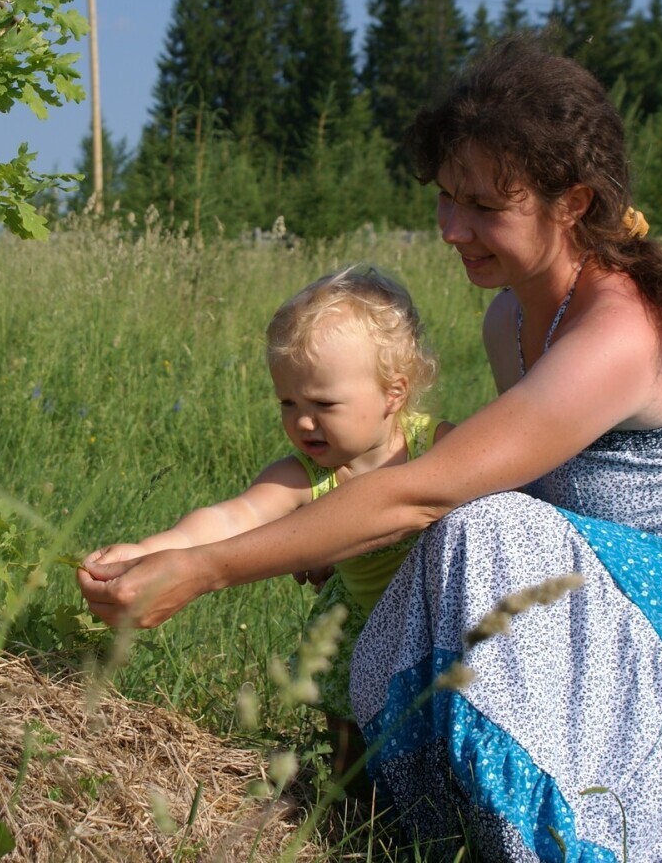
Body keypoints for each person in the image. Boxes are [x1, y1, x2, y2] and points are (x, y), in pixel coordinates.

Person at [79, 35, 662, 861]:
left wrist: (208, 571)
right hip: (634, 597)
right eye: (446, 196)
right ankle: (432, 806)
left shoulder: (620, 327)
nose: (452, 227)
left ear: (571, 203)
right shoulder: (511, 319)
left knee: (479, 531)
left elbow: (432, 492)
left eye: (485, 206)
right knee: (453, 543)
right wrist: (202, 544)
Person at [84, 266, 454, 775]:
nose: (303, 422)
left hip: (437, 624)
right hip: (358, 627)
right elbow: (233, 517)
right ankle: (348, 809)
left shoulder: (439, 447)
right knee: (350, 752)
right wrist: (151, 550)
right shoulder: (303, 475)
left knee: (441, 735)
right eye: (288, 403)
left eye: (323, 404)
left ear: (394, 393)